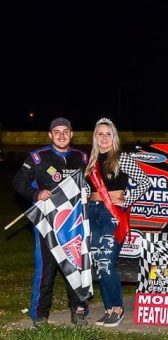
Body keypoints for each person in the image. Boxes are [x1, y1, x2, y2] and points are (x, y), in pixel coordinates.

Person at [13, 117, 89, 326]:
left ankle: (79, 309)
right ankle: (40, 315)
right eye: (57, 131)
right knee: (47, 268)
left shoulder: (81, 157)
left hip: (74, 223)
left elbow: (92, 184)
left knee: (76, 265)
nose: (62, 135)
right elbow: (18, 182)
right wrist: (36, 194)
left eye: (66, 131)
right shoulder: (38, 157)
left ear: (72, 134)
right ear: (50, 135)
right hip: (47, 223)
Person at [85, 117, 149, 327]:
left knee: (106, 262)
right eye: (100, 134)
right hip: (92, 213)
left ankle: (118, 309)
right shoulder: (91, 160)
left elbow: (144, 181)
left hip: (111, 214)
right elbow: (89, 189)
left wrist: (127, 199)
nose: (104, 138)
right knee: (98, 263)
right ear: (95, 137)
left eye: (108, 133)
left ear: (114, 137)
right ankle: (108, 309)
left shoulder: (123, 158)